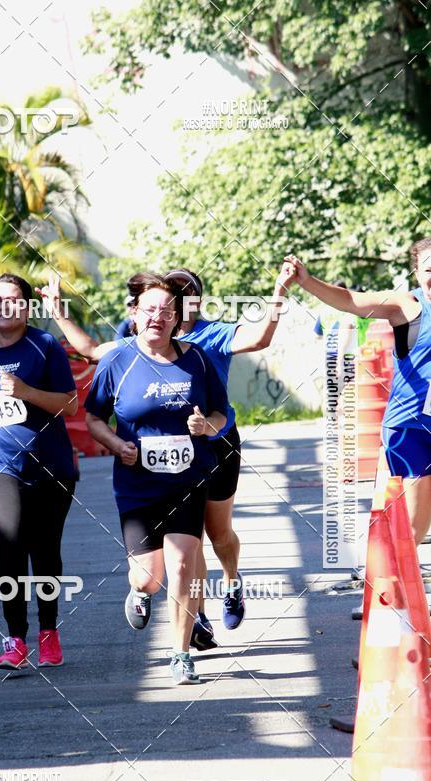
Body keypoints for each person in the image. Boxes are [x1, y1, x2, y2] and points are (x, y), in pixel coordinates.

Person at [44, 264, 293, 649]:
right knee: (188, 544)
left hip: (215, 441)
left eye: (184, 292)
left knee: (218, 533)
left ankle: (231, 581)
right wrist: (58, 312)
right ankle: (197, 617)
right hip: (160, 449)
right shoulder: (140, 336)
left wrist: (280, 292)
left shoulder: (212, 335)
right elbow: (94, 352)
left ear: (194, 302)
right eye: (170, 293)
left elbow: (259, 338)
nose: (174, 301)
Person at [82, 271, 228, 685]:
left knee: (183, 563)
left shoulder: (197, 360)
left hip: (187, 479)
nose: (157, 318)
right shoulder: (117, 361)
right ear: (134, 314)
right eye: (149, 309)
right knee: (149, 577)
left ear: (177, 318)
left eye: (167, 311)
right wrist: (117, 445)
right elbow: (93, 418)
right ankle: (139, 590)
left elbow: (221, 413)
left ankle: (180, 654)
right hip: (138, 484)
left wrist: (207, 427)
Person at [0, 273, 78, 670]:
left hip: (50, 466)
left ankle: (48, 631)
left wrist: (26, 392)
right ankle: (15, 639)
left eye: (13, 300)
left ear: (26, 307)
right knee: (10, 544)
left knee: (46, 553)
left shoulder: (44, 345)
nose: (4, 307)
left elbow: (70, 404)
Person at [285, 243, 431, 547]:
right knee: (414, 527)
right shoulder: (406, 305)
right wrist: (307, 281)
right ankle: (388, 573)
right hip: (412, 428)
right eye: (429, 270)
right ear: (417, 273)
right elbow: (351, 301)